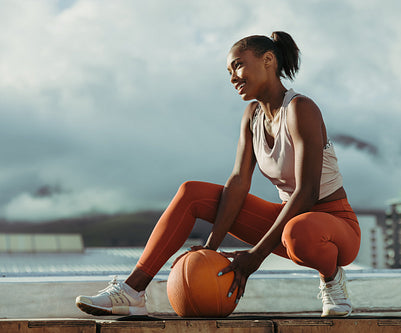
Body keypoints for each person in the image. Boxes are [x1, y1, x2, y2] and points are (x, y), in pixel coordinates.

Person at [75, 31, 361, 318]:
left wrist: (255, 257)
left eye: (238, 65)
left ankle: (332, 279)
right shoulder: (252, 116)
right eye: (228, 72)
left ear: (268, 60)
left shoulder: (301, 109)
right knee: (192, 193)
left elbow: (308, 192)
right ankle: (132, 291)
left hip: (334, 228)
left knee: (299, 231)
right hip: (288, 222)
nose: (233, 77)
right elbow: (238, 183)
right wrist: (210, 248)